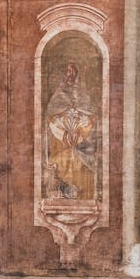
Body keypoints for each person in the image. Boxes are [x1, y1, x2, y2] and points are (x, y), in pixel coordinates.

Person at [44, 62, 98, 200]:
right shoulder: (58, 96)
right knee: (60, 168)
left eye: (73, 71)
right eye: (68, 71)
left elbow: (91, 117)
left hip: (81, 142)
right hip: (61, 142)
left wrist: (81, 132)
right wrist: (63, 133)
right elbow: (51, 117)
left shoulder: (84, 95)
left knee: (82, 173)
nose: (71, 74)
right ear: (64, 74)